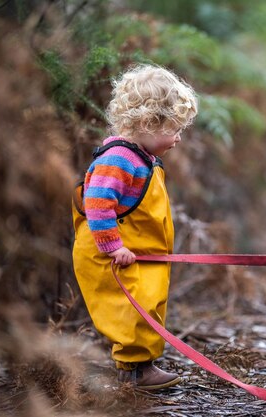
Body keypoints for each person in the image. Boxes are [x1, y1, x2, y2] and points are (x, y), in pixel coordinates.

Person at [72, 64, 197, 389]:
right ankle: (134, 371)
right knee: (132, 310)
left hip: (139, 252)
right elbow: (97, 203)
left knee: (148, 305)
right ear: (148, 123)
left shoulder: (141, 159)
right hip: (115, 254)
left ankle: (140, 366)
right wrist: (113, 247)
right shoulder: (119, 159)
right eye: (174, 128)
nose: (178, 138)